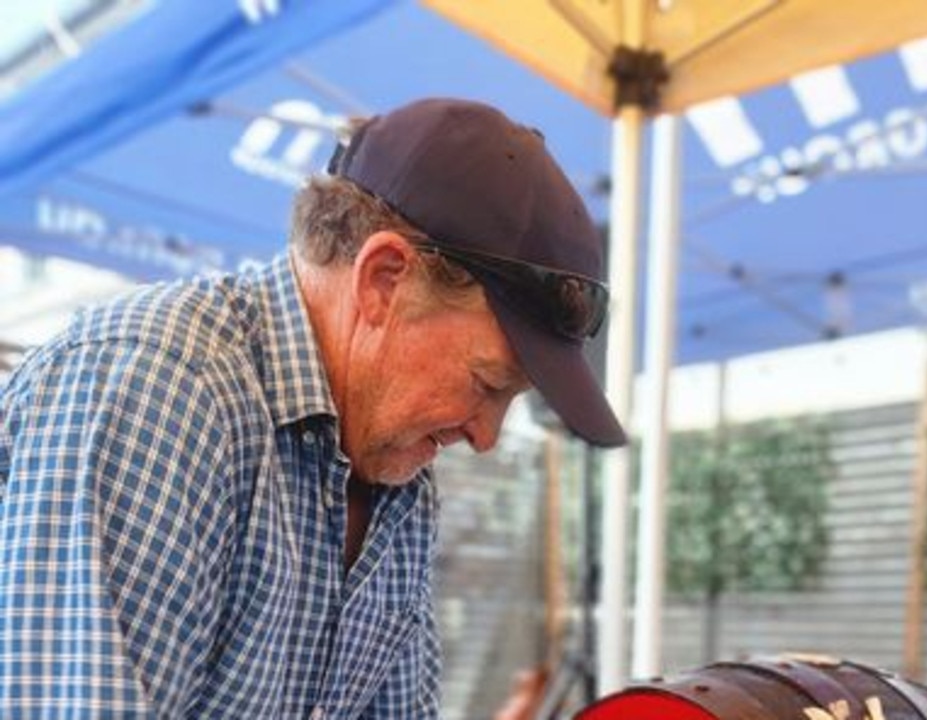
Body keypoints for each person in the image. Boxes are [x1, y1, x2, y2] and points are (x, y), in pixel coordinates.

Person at [0, 98, 625, 718]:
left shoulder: (396, 477)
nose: (487, 436)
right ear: (383, 279)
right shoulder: (163, 388)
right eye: (487, 383)